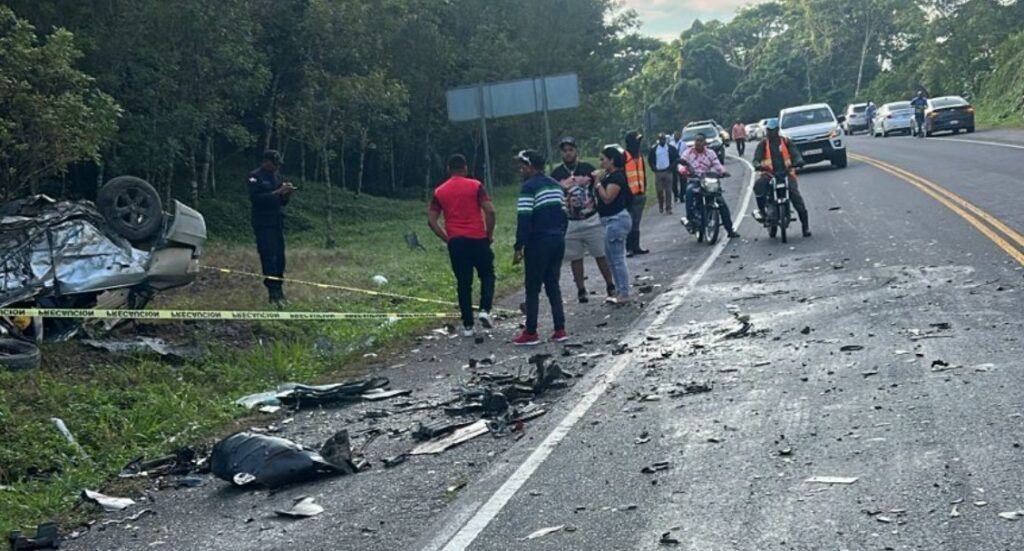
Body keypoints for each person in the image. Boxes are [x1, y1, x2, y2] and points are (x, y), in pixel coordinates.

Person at [427, 154, 496, 337]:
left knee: (464, 283)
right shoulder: (476, 186)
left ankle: (467, 326)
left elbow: (431, 220)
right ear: (465, 168)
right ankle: (484, 309)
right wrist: (489, 234)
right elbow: (490, 211)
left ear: (449, 169)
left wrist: (447, 238)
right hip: (478, 238)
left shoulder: (440, 191)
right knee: (487, 275)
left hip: (457, 242)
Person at [550, 137, 616, 303]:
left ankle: (610, 284)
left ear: (576, 151)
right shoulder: (556, 174)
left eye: (570, 150)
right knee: (575, 257)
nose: (568, 153)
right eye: (564, 150)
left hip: (591, 218)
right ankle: (581, 289)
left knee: (600, 253)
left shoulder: (587, 169)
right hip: (570, 220)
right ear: (561, 153)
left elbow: (600, 184)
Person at [513, 149, 568, 346]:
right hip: (557, 239)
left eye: (522, 165)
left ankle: (531, 331)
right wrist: (560, 234)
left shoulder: (529, 188)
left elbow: (524, 219)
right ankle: (560, 329)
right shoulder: (555, 185)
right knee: (553, 284)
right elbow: (564, 214)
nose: (520, 169)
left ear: (530, 166)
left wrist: (519, 246)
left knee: (533, 287)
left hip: (538, 242)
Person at [247, 149, 295, 307]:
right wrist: (277, 193)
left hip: (276, 222)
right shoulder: (255, 177)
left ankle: (280, 291)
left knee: (280, 259)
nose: (277, 167)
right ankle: (272, 294)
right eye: (275, 164)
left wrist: (285, 194)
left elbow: (281, 202)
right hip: (263, 223)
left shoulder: (276, 177)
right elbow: (257, 200)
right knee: (269, 258)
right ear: (266, 162)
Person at [752, 118, 811, 237]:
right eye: (768, 130)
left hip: (786, 174)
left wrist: (799, 161)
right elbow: (756, 159)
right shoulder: (763, 144)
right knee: (758, 186)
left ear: (777, 130)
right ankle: (763, 212)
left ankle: (805, 227)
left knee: (796, 197)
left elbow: (796, 155)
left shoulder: (786, 142)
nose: (769, 132)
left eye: (772, 130)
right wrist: (758, 165)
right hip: (769, 175)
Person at [679, 133, 739, 239]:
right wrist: (684, 170)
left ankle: (730, 229)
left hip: (708, 181)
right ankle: (691, 219)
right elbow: (681, 164)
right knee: (689, 192)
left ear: (705, 142)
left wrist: (723, 172)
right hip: (694, 181)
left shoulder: (710, 153)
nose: (698, 143)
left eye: (701, 141)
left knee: (721, 203)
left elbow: (717, 164)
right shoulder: (688, 153)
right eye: (697, 140)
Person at [595, 145, 634, 305]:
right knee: (610, 258)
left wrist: (598, 184)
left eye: (603, 159)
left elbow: (607, 197)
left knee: (618, 258)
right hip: (608, 221)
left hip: (616, 219)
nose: (601, 163)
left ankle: (624, 292)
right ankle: (619, 291)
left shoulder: (617, 177)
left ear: (611, 160)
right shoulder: (608, 176)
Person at [623, 131, 649, 256]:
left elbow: (643, 172)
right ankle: (629, 248)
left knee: (637, 222)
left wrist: (644, 189)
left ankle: (636, 246)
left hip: (640, 193)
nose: (639, 143)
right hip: (629, 196)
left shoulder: (639, 156)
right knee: (629, 222)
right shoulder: (624, 156)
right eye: (637, 141)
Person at [647, 133, 679, 215]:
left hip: (668, 171)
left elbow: (676, 158)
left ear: (665, 140)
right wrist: (654, 169)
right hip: (658, 172)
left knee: (668, 191)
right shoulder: (654, 150)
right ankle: (661, 205)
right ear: (658, 140)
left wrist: (671, 167)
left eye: (663, 139)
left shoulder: (671, 149)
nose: (662, 141)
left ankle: (668, 208)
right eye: (660, 139)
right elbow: (650, 160)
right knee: (659, 191)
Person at [671, 129, 686, 203]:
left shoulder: (683, 144)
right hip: (674, 163)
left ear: (680, 136)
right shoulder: (671, 144)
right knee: (674, 181)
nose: (676, 136)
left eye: (677, 135)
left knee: (683, 181)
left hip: (682, 163)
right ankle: (676, 195)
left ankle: (682, 195)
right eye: (675, 135)